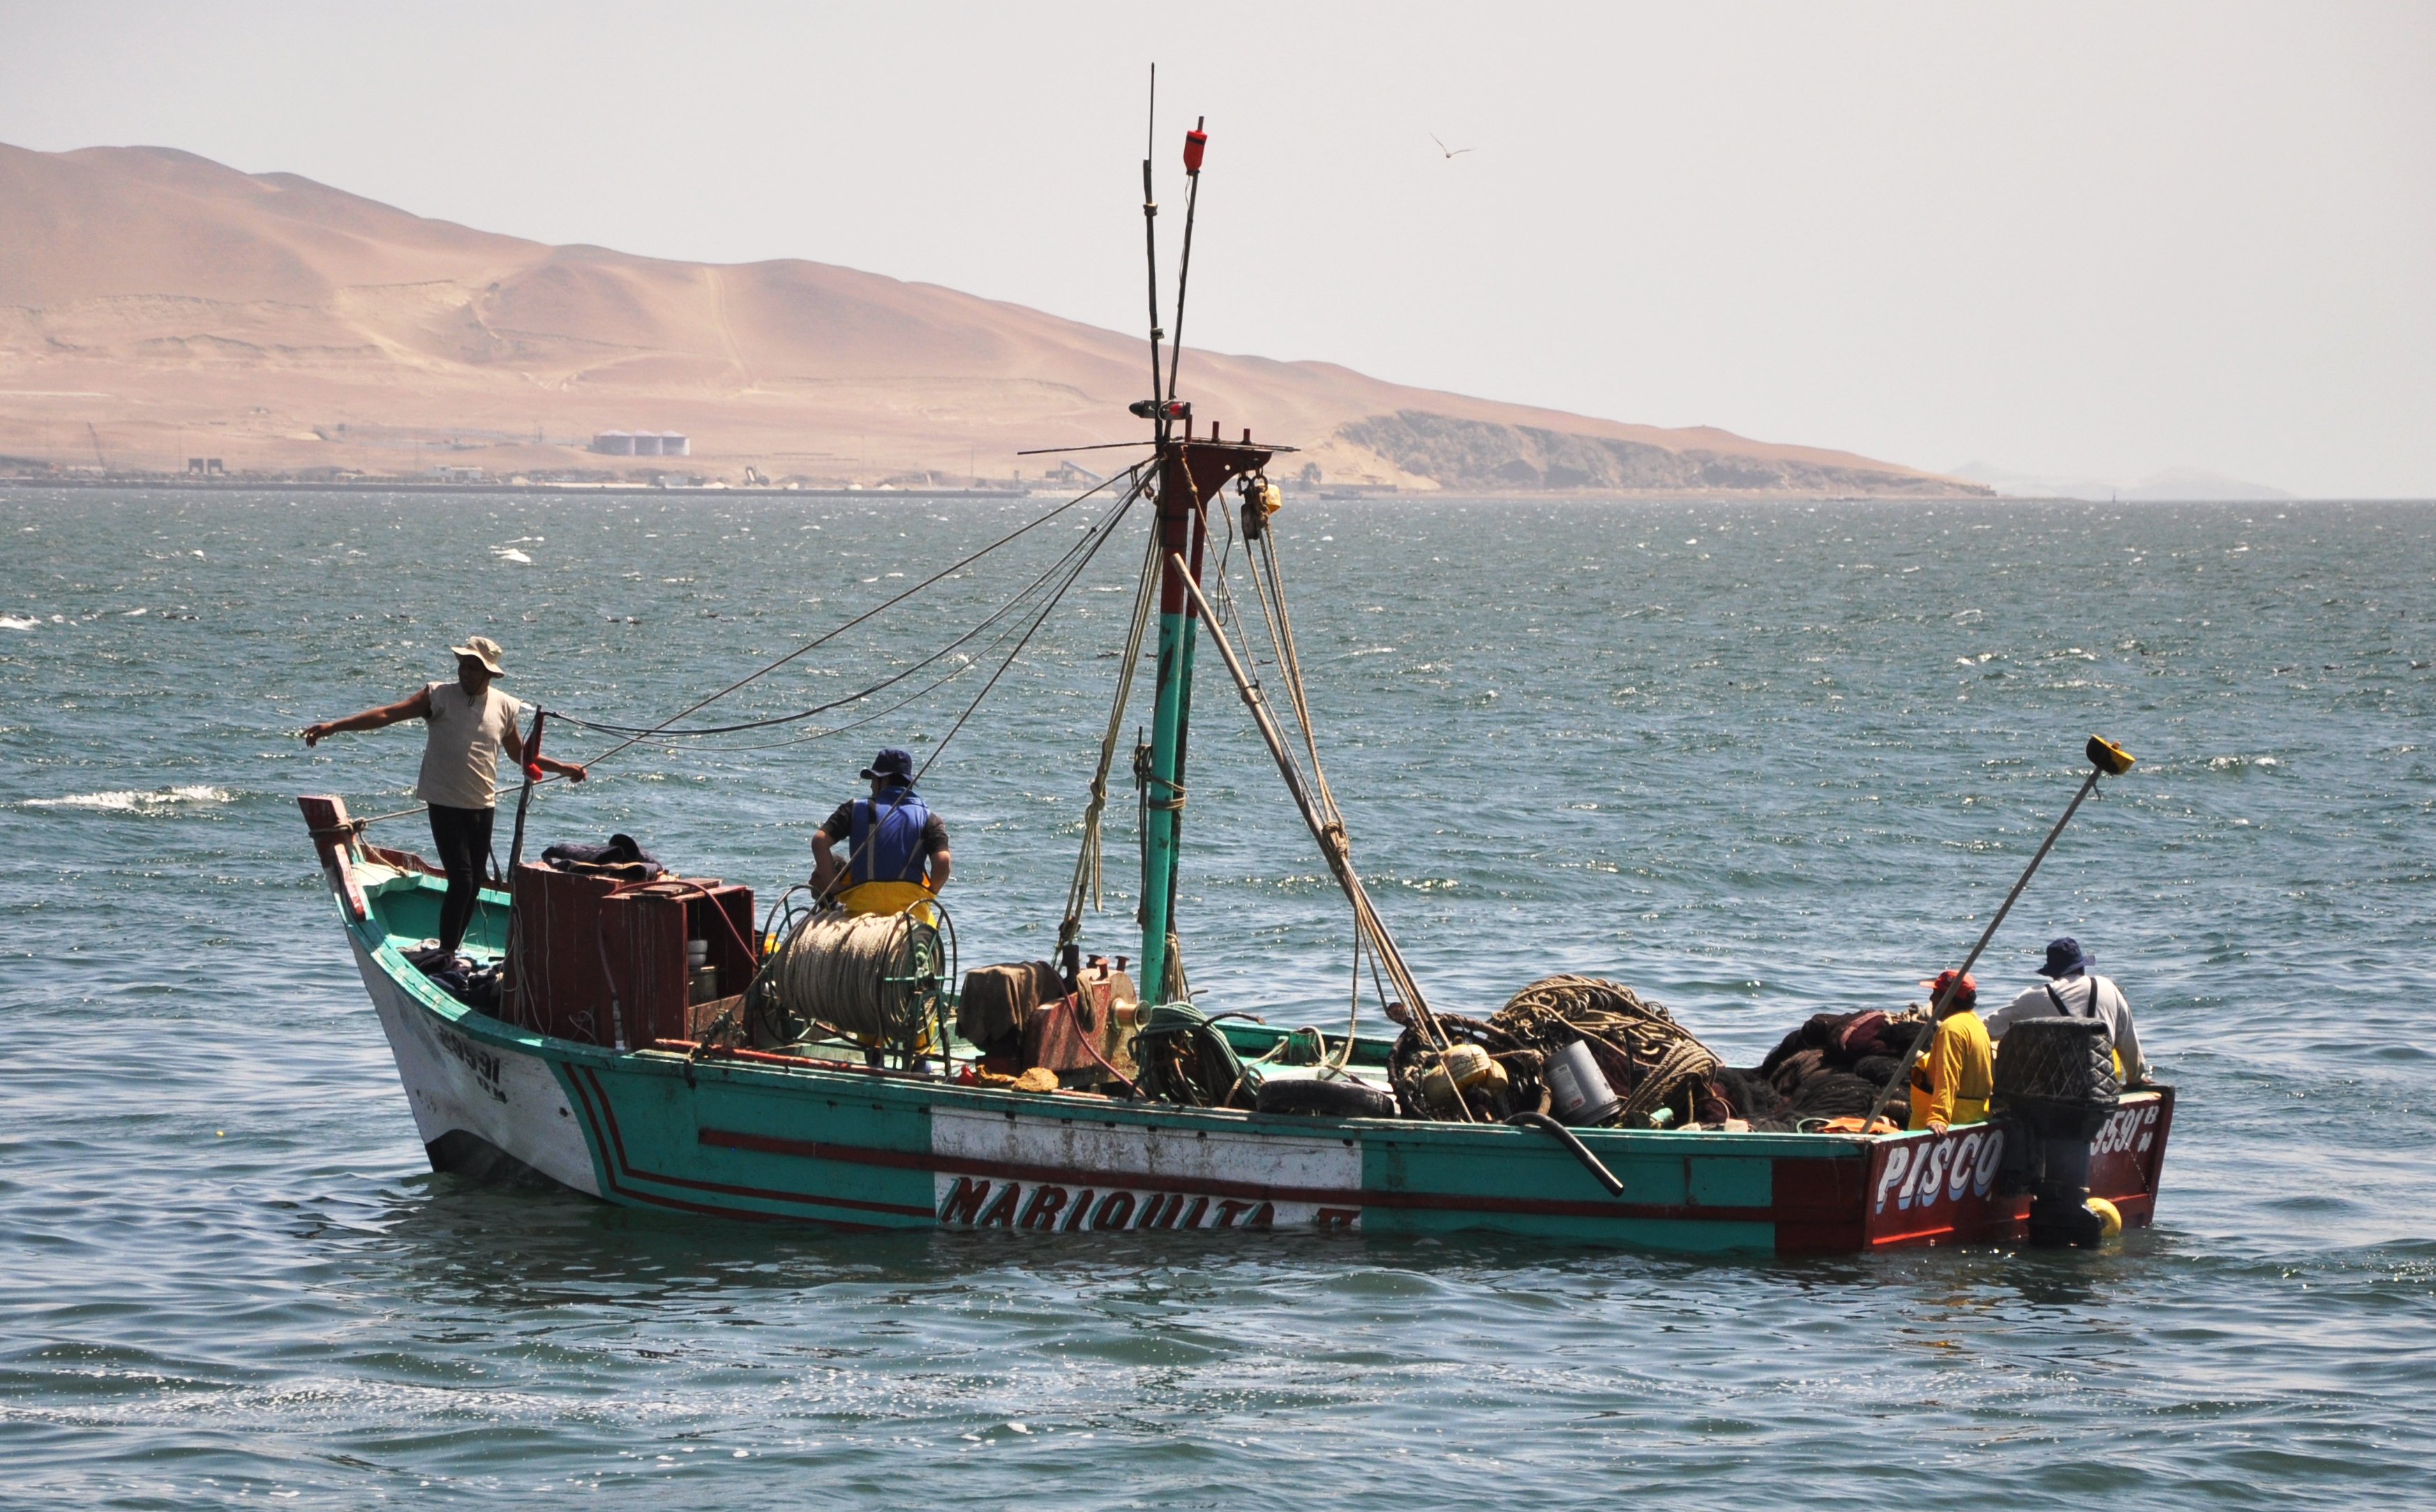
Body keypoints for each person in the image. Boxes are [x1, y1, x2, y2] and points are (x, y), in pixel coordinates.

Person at [302, 636, 587, 962]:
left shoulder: (505, 705)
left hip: (482, 804)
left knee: (475, 883)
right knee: (462, 880)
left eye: (472, 668)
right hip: (444, 803)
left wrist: (563, 768)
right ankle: (447, 953)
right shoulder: (437, 695)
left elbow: (519, 755)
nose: (464, 672)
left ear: (489, 674)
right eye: (462, 665)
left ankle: (451, 947)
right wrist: (334, 727)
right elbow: (387, 715)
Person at [1985, 936, 2154, 1085]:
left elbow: (1987, 1029)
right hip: (2103, 1086)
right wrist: (2136, 1078)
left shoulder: (2036, 996)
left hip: (2057, 1089)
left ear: (2052, 973)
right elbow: (2128, 1040)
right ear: (2082, 966)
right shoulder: (2108, 987)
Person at [810, 748, 950, 901]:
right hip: (911, 907)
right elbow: (943, 860)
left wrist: (835, 888)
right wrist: (930, 892)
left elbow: (819, 841)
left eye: (874, 780)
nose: (871, 786)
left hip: (861, 906)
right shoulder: (930, 818)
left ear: (885, 780)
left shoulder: (854, 808)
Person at [1908, 968, 1994, 1133]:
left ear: (1948, 998)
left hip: (1954, 1121)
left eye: (1936, 993)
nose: (1931, 998)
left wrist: (1939, 1118)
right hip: (1975, 1116)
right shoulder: (1977, 1024)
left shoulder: (1951, 1028)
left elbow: (1948, 1075)